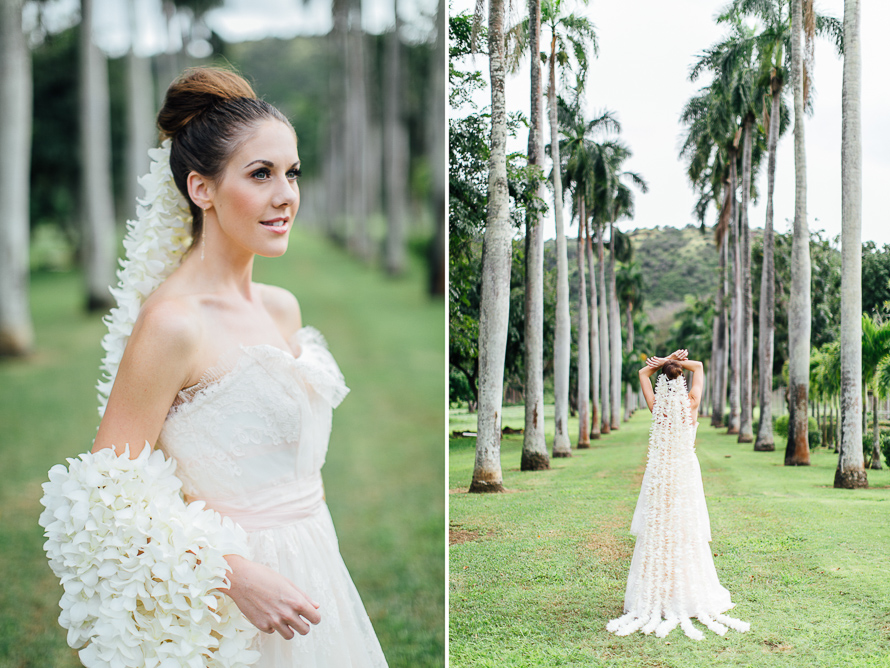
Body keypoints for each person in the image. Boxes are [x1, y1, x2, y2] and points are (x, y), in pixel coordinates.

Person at [39, 67, 388, 667]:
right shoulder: (173, 324)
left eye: (291, 173)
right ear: (202, 189)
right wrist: (232, 574)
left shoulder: (283, 308)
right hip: (228, 601)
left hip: (314, 564)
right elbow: (104, 498)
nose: (286, 195)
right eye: (261, 174)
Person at [606, 349, 750, 641]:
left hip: (660, 476)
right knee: (684, 532)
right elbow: (698, 366)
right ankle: (685, 592)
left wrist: (663, 362)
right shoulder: (692, 403)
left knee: (660, 532)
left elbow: (641, 373)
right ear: (682, 381)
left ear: (662, 382)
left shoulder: (656, 405)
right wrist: (675, 361)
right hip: (684, 475)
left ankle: (659, 593)